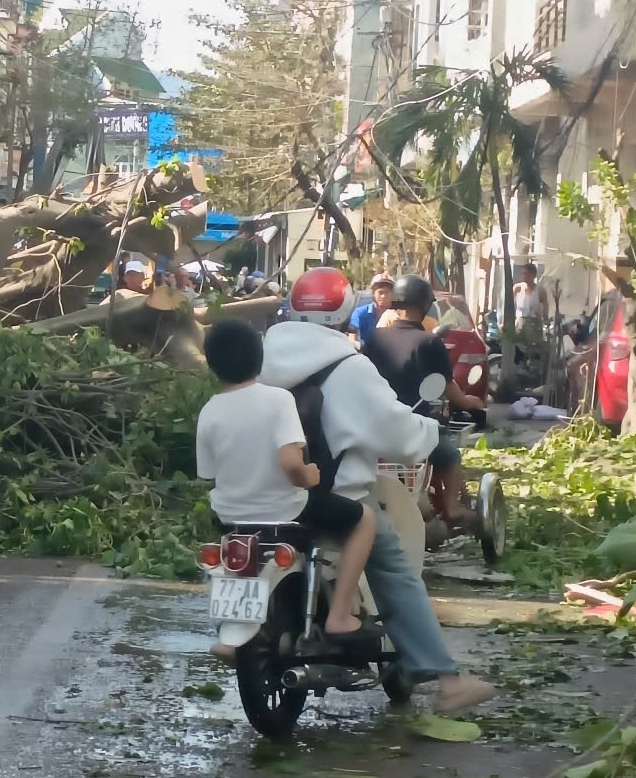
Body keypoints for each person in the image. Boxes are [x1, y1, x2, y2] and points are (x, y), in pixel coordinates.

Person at [260, 267, 496, 713]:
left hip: (261, 495)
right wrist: (428, 431)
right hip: (332, 495)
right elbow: (394, 429)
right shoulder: (348, 367)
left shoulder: (261, 357)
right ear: (348, 311)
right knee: (393, 564)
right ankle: (447, 681)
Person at [198, 319, 380, 641]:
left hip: (230, 518)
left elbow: (209, 474)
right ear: (260, 359)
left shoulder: (210, 410)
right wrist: (310, 475)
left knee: (236, 551)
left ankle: (231, 634)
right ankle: (339, 616)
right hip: (286, 511)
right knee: (364, 520)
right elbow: (291, 465)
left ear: (212, 366)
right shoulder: (279, 400)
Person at [363, 275, 484, 524]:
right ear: (426, 305)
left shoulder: (374, 339)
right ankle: (452, 509)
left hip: (373, 429)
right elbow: (451, 391)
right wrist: (471, 403)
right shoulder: (430, 342)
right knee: (450, 456)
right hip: (411, 430)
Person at [348, 273, 393, 348]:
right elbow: (351, 339)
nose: (383, 296)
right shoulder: (360, 313)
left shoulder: (396, 315)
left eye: (387, 292)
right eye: (380, 292)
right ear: (373, 293)